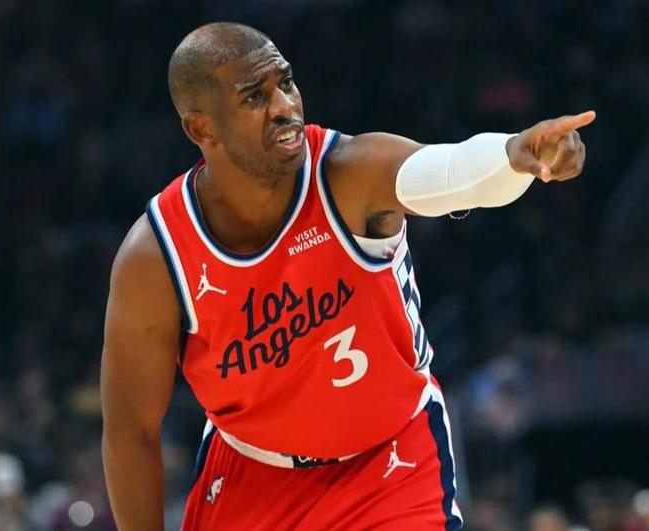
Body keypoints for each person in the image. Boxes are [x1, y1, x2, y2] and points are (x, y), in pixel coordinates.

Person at [100, 22, 594, 531]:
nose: (285, 107)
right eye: (255, 97)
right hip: (254, 474)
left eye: (285, 83)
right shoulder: (155, 256)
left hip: (390, 464)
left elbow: (451, 173)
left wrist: (516, 155)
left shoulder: (350, 171)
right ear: (201, 129)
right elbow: (130, 429)